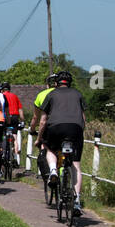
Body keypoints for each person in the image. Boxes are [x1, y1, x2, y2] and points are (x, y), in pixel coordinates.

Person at [37, 70, 87, 216]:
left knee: (49, 148)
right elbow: (83, 119)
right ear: (70, 83)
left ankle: (53, 170)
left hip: (55, 128)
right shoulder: (78, 94)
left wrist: (40, 138)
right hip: (75, 129)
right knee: (75, 164)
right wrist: (78, 132)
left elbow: (43, 120)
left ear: (56, 83)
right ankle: (77, 202)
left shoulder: (51, 95)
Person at [31, 72, 58, 181]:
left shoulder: (41, 95)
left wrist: (32, 129)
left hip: (48, 126)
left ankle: (49, 173)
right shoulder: (64, 93)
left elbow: (35, 117)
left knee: (44, 146)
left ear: (47, 85)